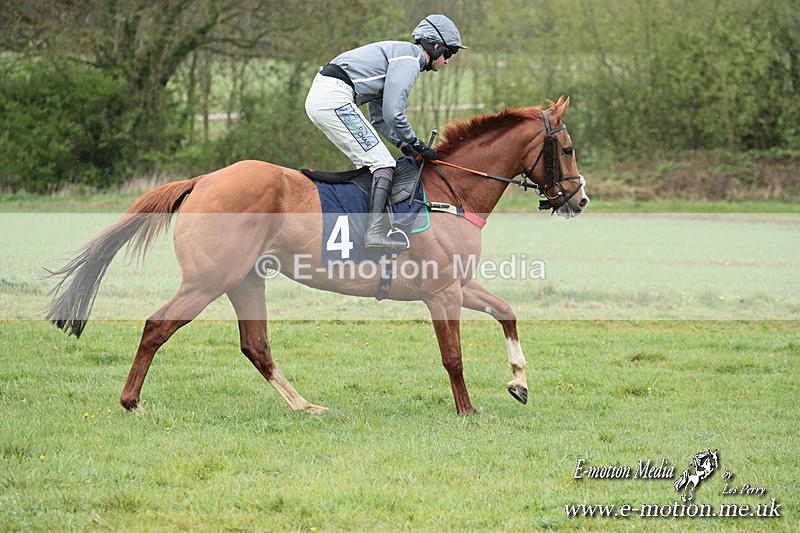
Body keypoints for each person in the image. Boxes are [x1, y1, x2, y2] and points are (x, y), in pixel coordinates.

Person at [305, 14, 467, 251]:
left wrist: (405, 147)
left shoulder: (400, 56)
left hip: (326, 97)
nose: (447, 61)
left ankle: (360, 227)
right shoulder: (410, 60)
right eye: (449, 53)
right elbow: (394, 114)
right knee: (382, 163)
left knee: (374, 164)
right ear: (435, 46)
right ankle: (374, 233)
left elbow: (379, 119)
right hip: (334, 98)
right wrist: (417, 143)